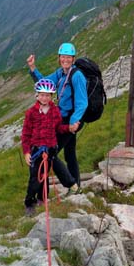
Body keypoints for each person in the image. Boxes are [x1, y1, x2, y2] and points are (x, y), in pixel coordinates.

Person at [27, 42, 87, 186]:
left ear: (73, 59)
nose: (65, 60)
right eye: (63, 57)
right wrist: (33, 68)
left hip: (71, 121)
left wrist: (74, 121)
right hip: (64, 119)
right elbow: (45, 83)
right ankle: (76, 186)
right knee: (69, 153)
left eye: (68, 57)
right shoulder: (60, 73)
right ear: (59, 58)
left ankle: (69, 185)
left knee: (49, 152)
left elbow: (82, 102)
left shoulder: (77, 75)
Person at [21, 78, 79, 216]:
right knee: (35, 177)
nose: (44, 97)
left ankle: (44, 199)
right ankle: (29, 202)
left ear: (51, 96)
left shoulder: (55, 111)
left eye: (47, 95)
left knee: (50, 172)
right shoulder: (31, 113)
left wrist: (69, 128)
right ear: (37, 95)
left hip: (51, 148)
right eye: (42, 94)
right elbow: (26, 133)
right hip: (36, 150)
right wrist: (26, 152)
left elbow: (58, 127)